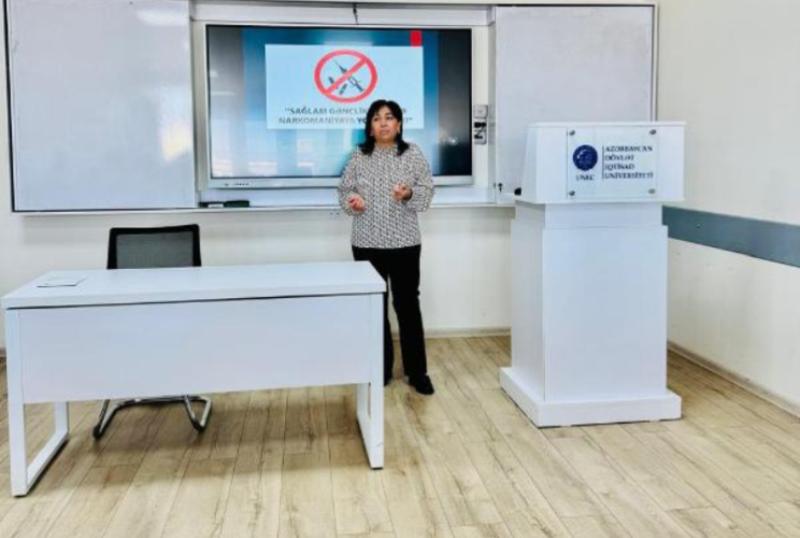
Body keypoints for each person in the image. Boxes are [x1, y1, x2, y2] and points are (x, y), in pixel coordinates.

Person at [338, 99, 435, 395]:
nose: (383, 123)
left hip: (405, 242)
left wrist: (409, 194)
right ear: (369, 126)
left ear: (399, 124)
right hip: (367, 243)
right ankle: (379, 369)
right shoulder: (358, 156)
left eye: (389, 117)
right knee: (374, 307)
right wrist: (353, 201)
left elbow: (427, 192)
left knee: (407, 306)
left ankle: (417, 372)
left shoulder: (412, 153)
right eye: (377, 118)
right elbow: (345, 192)